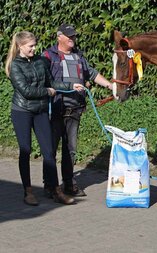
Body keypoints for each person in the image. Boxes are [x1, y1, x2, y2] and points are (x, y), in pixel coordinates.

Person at [4, 31, 84, 205]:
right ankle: (28, 191)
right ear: (20, 47)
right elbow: (26, 91)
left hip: (40, 111)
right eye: (30, 46)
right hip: (22, 111)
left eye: (34, 45)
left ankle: (56, 191)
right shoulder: (14, 66)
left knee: (48, 152)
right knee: (25, 150)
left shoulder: (40, 61)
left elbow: (51, 83)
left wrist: (71, 85)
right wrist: (47, 92)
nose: (34, 48)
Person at [43, 24, 113, 197]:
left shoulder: (78, 56)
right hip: (55, 108)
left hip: (74, 109)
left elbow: (93, 74)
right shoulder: (48, 56)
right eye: (69, 36)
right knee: (50, 149)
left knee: (71, 149)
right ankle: (50, 186)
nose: (73, 39)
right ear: (59, 37)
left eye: (74, 36)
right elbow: (45, 80)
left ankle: (68, 183)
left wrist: (110, 85)